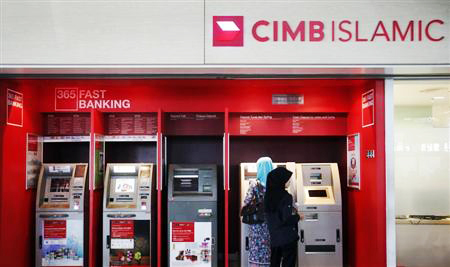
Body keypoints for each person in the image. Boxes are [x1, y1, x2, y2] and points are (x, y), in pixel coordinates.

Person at [264, 167, 299, 267]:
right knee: (288, 263)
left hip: (274, 237)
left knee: (274, 262)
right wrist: (297, 217)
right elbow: (286, 218)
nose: (288, 182)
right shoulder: (286, 196)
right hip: (287, 237)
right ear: (280, 180)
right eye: (287, 179)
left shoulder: (268, 196)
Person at [243, 157, 273, 267]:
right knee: (269, 250)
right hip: (271, 223)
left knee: (256, 249)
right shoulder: (275, 185)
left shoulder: (254, 185)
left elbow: (246, 201)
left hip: (257, 224)